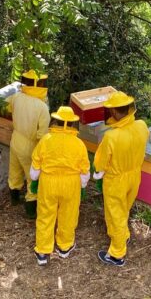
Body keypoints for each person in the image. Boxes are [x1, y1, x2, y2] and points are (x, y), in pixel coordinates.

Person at [93, 91, 149, 266]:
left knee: (115, 214)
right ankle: (123, 236)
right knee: (124, 208)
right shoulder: (141, 125)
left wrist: (98, 173)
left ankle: (117, 254)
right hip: (134, 176)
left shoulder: (112, 136)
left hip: (116, 180)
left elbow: (101, 162)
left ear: (116, 112)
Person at [30, 106, 90, 266]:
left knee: (45, 214)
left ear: (56, 121)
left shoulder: (46, 139)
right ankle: (65, 246)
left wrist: (35, 178)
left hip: (48, 182)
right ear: (72, 124)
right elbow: (85, 169)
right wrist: (82, 185)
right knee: (69, 215)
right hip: (71, 184)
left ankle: (43, 250)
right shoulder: (79, 144)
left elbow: (35, 164)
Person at [7, 69, 50, 219]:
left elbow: (9, 109)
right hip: (30, 147)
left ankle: (14, 198)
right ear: (38, 85)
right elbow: (43, 136)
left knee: (15, 170)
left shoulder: (16, 97)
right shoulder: (42, 108)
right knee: (33, 178)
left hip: (15, 139)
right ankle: (31, 210)